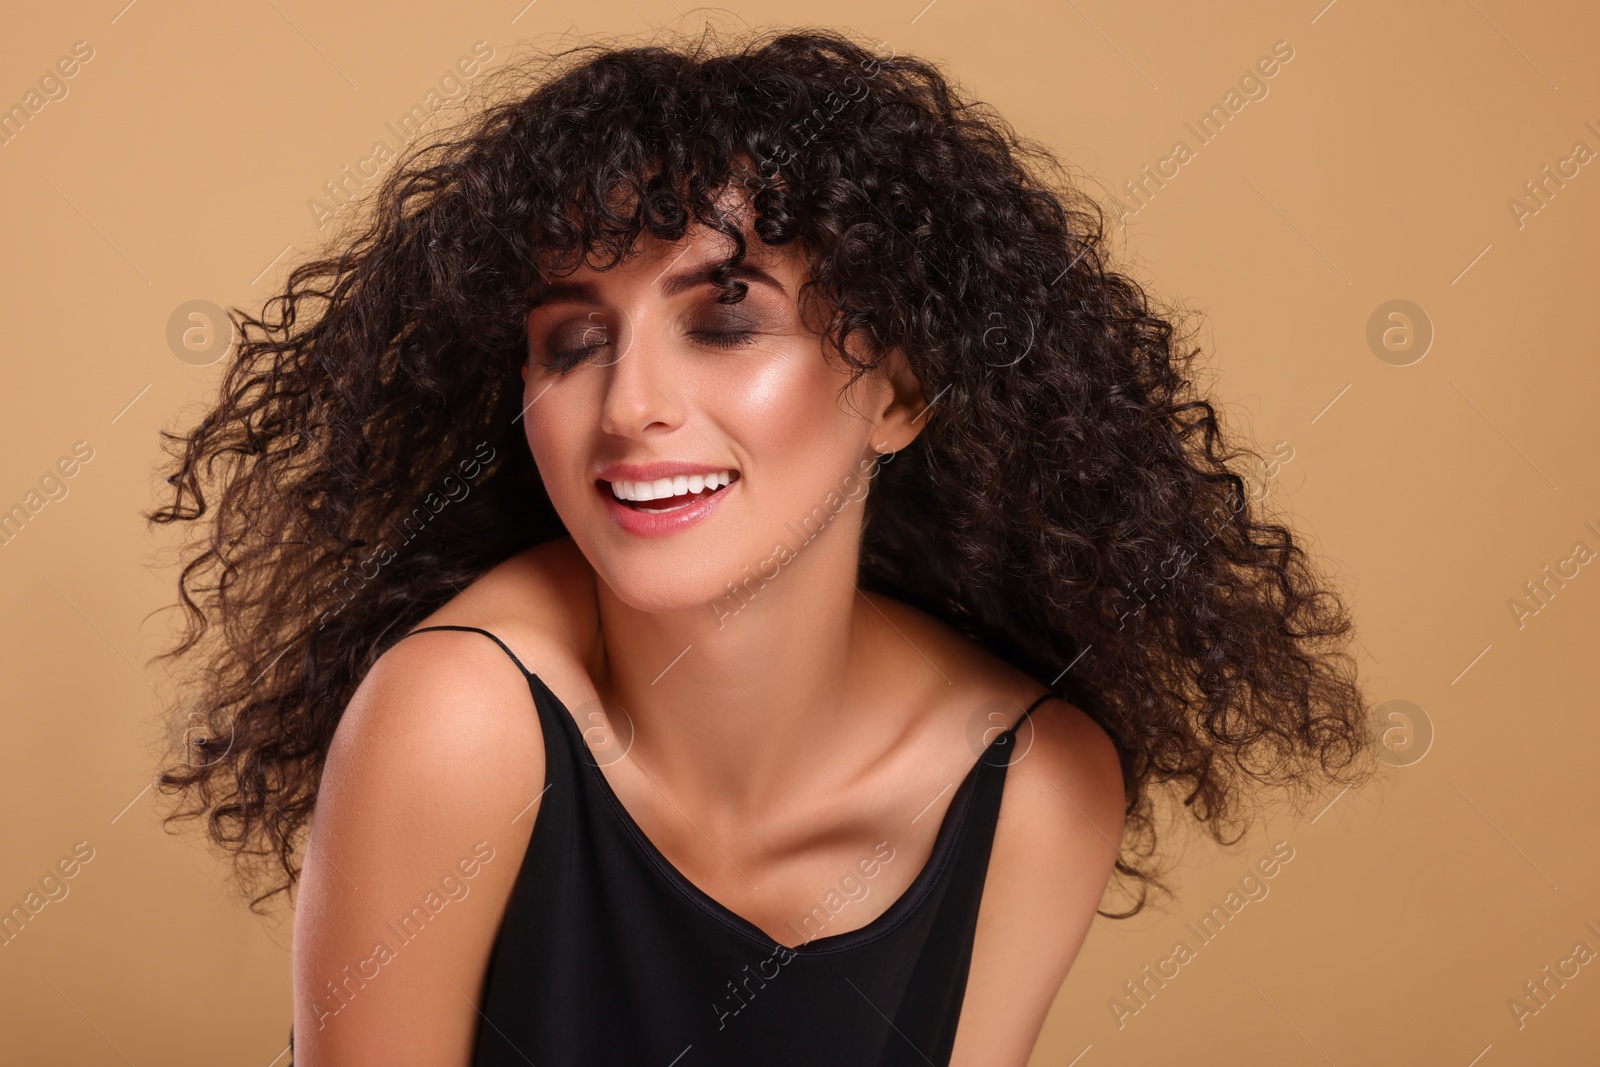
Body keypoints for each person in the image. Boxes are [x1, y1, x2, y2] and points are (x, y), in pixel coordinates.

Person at [146, 26, 1373, 1066]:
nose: (629, 406)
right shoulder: (453, 721)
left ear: (896, 389)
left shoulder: (1036, 787)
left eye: (725, 322)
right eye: (573, 342)